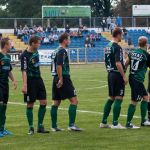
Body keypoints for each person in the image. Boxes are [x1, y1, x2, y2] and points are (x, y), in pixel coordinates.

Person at [50, 33, 82, 132]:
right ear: (64, 40)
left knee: (56, 102)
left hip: (55, 77)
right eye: (69, 39)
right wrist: (61, 79)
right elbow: (59, 65)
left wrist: (57, 78)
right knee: (74, 101)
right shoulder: (62, 51)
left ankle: (54, 126)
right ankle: (71, 125)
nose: (70, 41)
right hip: (63, 77)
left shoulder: (55, 50)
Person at [21, 36, 49, 135]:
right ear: (33, 43)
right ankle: (31, 127)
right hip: (30, 81)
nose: (39, 45)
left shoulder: (36, 52)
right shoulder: (24, 55)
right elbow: (23, 71)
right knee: (30, 104)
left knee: (44, 102)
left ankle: (40, 126)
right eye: (38, 43)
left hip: (38, 79)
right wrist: (24, 85)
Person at [100, 27, 128, 129]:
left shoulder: (107, 46)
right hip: (116, 74)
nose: (122, 36)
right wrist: (124, 76)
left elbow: (105, 60)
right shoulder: (117, 47)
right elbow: (118, 63)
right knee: (118, 98)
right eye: (122, 34)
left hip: (110, 74)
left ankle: (103, 122)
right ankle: (115, 123)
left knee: (111, 98)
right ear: (118, 35)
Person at [125, 36, 150, 129]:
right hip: (137, 79)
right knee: (134, 101)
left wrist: (123, 76)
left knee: (146, 97)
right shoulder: (146, 55)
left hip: (132, 77)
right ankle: (128, 123)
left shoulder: (132, 52)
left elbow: (126, 64)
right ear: (146, 44)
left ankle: (143, 121)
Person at [0, 38, 17, 137]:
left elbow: (9, 70)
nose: (11, 45)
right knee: (0, 105)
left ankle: (2, 128)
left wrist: (13, 80)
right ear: (5, 45)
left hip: (5, 85)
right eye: (10, 43)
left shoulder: (7, 57)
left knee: (4, 106)